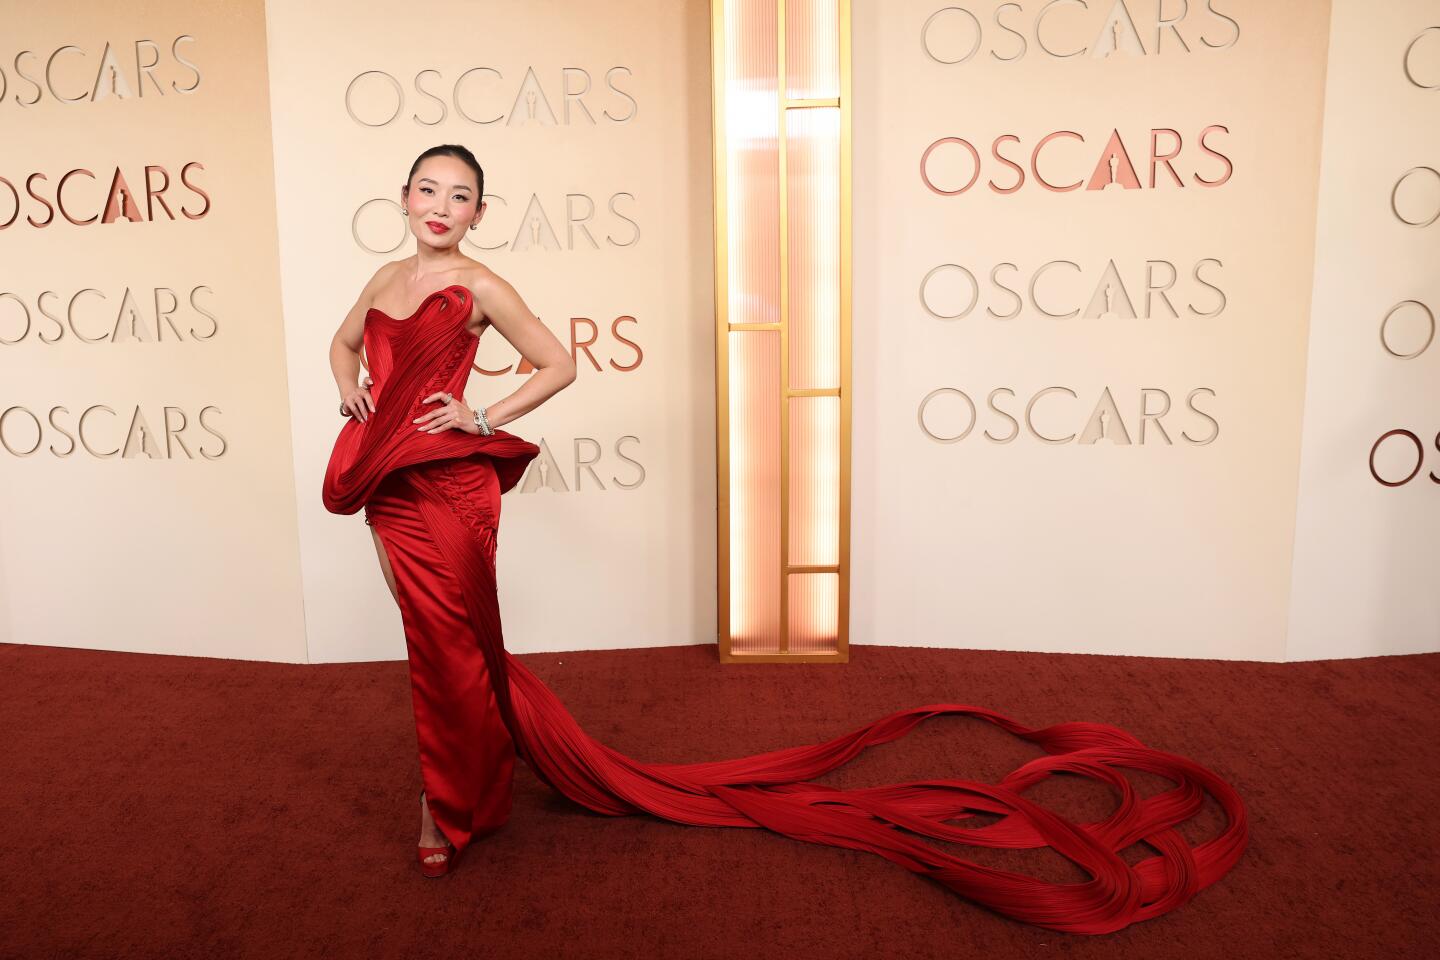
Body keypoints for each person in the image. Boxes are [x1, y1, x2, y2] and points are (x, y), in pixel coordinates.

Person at [322, 144, 1249, 933]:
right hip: (385, 483)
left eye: (460, 196)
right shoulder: (384, 281)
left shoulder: (481, 285)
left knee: (445, 647)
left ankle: (443, 806)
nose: (441, 206)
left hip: (449, 487)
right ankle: (475, 782)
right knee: (432, 639)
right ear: (403, 197)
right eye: (428, 190)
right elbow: (343, 344)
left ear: (480, 213)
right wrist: (349, 389)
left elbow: (560, 363)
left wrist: (482, 411)